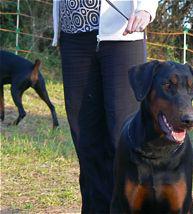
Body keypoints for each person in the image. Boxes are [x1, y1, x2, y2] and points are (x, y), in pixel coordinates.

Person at [52, 0, 158, 213]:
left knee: (124, 137)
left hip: (122, 32)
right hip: (74, 32)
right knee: (86, 139)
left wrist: (146, 8)